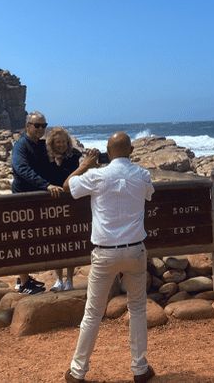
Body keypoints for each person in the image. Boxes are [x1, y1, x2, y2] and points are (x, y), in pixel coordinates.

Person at [62, 132, 156, 383]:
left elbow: (67, 187)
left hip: (104, 252)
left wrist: (85, 165)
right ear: (132, 150)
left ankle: (77, 371)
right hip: (135, 248)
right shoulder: (142, 174)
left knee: (93, 313)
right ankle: (139, 368)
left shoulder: (96, 176)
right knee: (137, 309)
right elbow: (148, 193)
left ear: (107, 150)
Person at [10, 111, 63, 295]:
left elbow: (64, 156)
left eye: (43, 125)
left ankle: (23, 278)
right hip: (22, 200)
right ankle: (24, 283)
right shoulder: (21, 146)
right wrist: (47, 185)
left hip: (36, 199)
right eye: (37, 125)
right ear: (27, 126)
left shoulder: (41, 146)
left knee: (31, 238)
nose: (41, 129)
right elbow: (22, 169)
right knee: (23, 240)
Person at [45, 127, 82, 291]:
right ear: (52, 143)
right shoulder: (46, 158)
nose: (61, 145)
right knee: (56, 242)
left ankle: (70, 281)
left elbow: (79, 175)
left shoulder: (75, 155)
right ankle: (58, 279)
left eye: (63, 142)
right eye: (57, 142)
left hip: (71, 202)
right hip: (53, 203)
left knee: (71, 242)